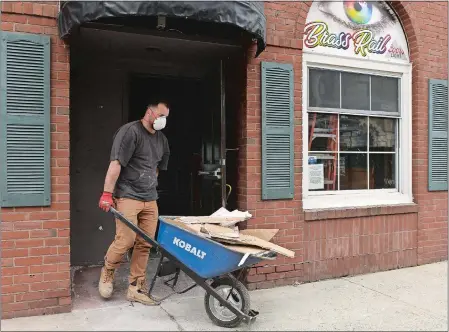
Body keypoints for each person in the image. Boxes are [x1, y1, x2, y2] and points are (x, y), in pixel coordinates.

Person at [98, 102, 170, 306]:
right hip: (128, 195)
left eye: (166, 117)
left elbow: (155, 168)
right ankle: (108, 272)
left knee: (145, 243)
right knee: (126, 240)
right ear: (149, 112)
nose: (163, 120)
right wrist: (106, 194)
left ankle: (136, 287)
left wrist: (150, 187)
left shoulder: (162, 140)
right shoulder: (130, 132)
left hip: (150, 197)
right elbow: (116, 163)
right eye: (160, 115)